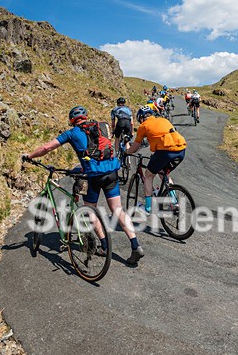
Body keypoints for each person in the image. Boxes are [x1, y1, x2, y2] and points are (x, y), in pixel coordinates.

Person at [23, 105, 144, 265]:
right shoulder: (102, 126)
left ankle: (104, 246)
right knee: (118, 210)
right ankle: (135, 246)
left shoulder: (71, 133)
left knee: (90, 211)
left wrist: (29, 156)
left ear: (72, 120)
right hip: (111, 171)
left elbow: (47, 147)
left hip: (93, 176)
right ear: (86, 116)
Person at [125, 106, 187, 213]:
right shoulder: (163, 119)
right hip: (181, 149)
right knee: (163, 173)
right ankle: (174, 201)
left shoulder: (143, 126)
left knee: (148, 175)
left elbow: (134, 148)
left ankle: (148, 207)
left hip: (165, 152)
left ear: (141, 118)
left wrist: (126, 152)